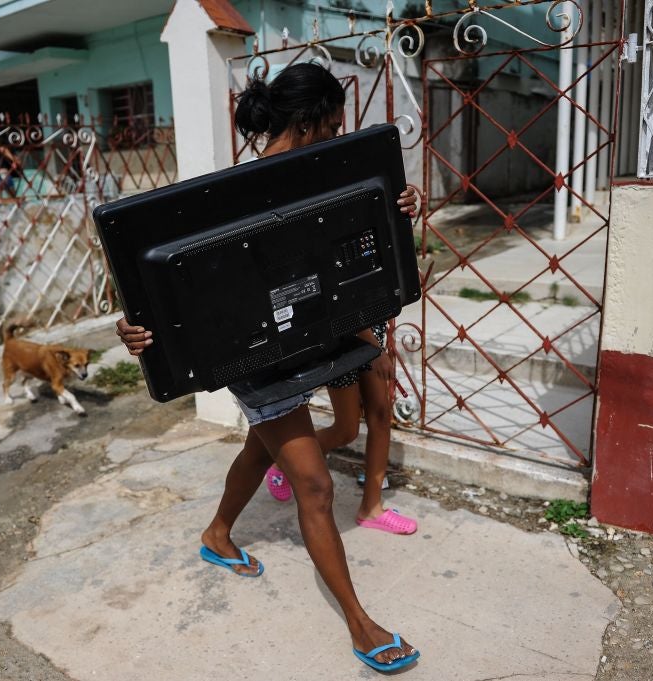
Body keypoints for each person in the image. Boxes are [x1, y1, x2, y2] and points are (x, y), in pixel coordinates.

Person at [117, 63, 420, 672]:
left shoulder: (337, 174)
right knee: (314, 482)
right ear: (306, 123)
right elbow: (158, 272)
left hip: (320, 335)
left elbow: (363, 246)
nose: (338, 137)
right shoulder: (225, 193)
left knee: (264, 449)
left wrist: (400, 208)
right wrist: (128, 324)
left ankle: (217, 534)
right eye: (332, 126)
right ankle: (361, 625)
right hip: (253, 353)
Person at [263, 318, 419, 535]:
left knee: (381, 416)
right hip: (342, 335)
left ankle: (371, 509)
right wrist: (375, 349)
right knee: (346, 430)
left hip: (371, 327)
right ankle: (282, 460)